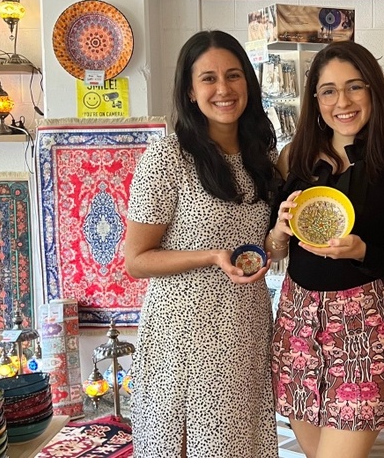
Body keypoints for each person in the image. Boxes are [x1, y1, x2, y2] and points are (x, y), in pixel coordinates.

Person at [266, 41, 384, 458]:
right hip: (297, 325)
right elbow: (274, 251)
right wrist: (281, 231)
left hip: (364, 331)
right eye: (329, 91)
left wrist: (362, 252)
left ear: (373, 91)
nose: (343, 102)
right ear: (315, 99)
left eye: (355, 87)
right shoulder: (293, 160)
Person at [125, 30, 279, 458]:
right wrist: (213, 256)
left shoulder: (260, 157)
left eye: (233, 76)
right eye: (208, 78)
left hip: (246, 325)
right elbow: (136, 260)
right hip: (187, 333)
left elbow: (258, 243)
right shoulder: (169, 156)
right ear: (190, 91)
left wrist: (279, 237)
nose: (224, 89)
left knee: (240, 443)